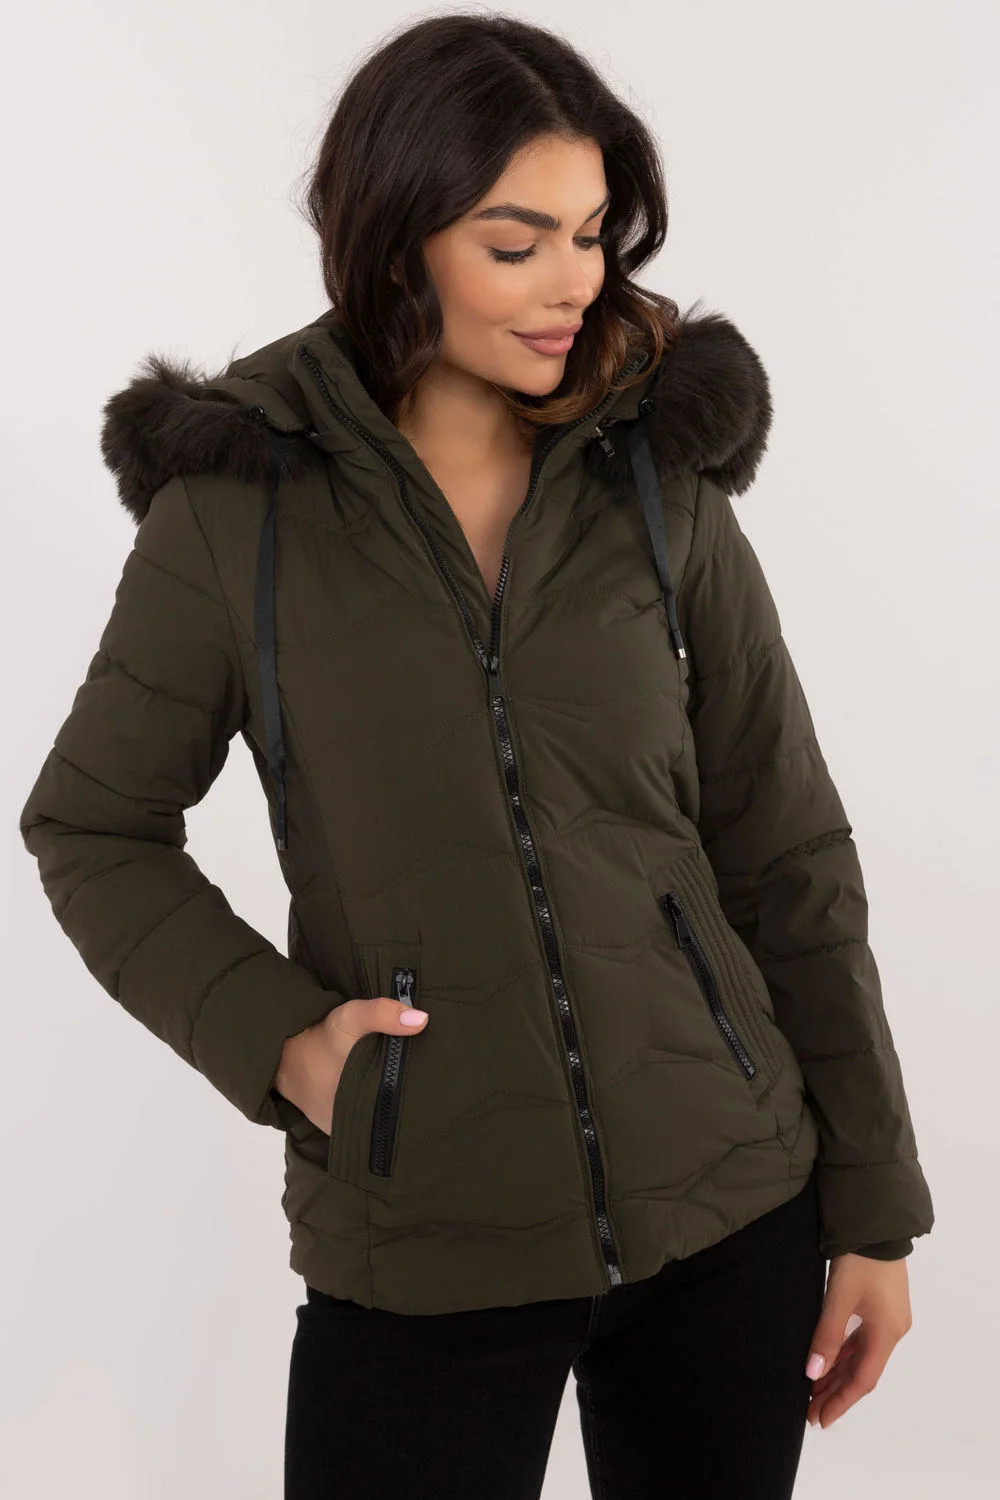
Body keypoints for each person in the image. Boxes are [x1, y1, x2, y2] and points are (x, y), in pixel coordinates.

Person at [19, 12, 935, 1499]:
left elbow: (787, 846)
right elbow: (94, 825)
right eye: (517, 244)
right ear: (398, 244)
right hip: (421, 1241)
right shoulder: (237, 509)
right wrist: (282, 1043)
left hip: (729, 1212)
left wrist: (875, 1211)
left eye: (591, 234)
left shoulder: (655, 470)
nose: (575, 283)